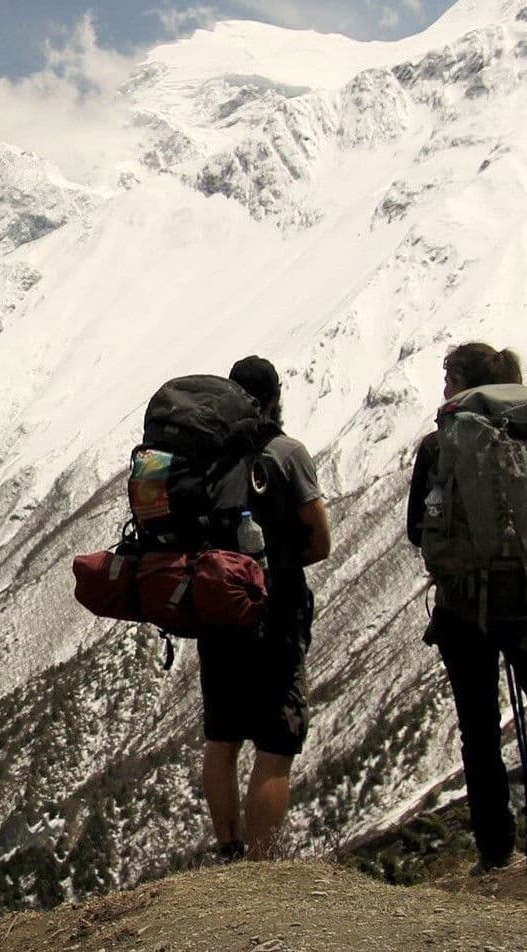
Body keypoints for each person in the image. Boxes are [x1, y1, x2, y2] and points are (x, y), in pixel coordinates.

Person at [407, 342, 527, 872]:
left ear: (461, 383)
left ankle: (494, 851)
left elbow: (416, 530)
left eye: (448, 379)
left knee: (478, 730)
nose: (444, 389)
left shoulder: (439, 444)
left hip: (461, 607)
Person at [198, 354, 332, 861]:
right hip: (274, 612)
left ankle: (228, 849)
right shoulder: (287, 453)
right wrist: (275, 564)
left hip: (216, 609)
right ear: (276, 399)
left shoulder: (207, 457)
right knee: (276, 743)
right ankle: (262, 864)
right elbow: (320, 540)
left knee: (223, 735)